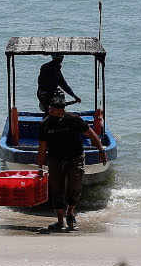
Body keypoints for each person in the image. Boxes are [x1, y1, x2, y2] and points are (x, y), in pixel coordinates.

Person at [36, 91, 107, 232]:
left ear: (63, 110)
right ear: (49, 109)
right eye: (52, 112)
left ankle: (70, 212)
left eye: (57, 113)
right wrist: (39, 167)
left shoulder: (74, 119)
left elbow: (91, 134)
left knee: (75, 188)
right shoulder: (45, 124)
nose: (55, 115)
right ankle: (60, 221)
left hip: (75, 158)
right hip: (55, 160)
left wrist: (101, 150)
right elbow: (42, 147)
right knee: (57, 189)